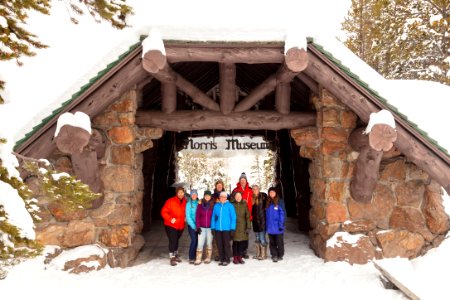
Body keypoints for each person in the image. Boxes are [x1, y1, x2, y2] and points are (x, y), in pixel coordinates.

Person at [161, 186, 187, 266]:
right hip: (171, 225)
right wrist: (171, 219)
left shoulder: (185, 202)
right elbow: (163, 212)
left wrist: (185, 217)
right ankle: (172, 257)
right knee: (173, 240)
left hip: (180, 225)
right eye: (179, 192)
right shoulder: (170, 201)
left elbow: (187, 211)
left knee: (176, 240)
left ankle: (175, 254)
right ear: (176, 193)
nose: (181, 194)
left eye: (182, 192)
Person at [211, 191, 236, 266]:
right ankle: (222, 258)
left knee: (226, 244)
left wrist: (232, 228)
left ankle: (227, 259)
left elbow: (233, 217)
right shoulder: (216, 206)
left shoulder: (230, 206)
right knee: (219, 244)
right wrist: (213, 227)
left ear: (226, 198)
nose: (223, 198)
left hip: (226, 229)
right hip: (218, 228)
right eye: (221, 197)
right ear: (219, 197)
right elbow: (213, 217)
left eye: (224, 197)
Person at [232, 172, 253, 258]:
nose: (243, 181)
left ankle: (244, 251)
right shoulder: (235, 190)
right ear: (239, 181)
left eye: (244, 180)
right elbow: (231, 201)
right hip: (238, 216)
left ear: (246, 181)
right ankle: (237, 252)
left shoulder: (250, 190)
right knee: (237, 235)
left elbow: (254, 201)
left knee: (245, 235)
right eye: (241, 180)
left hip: (248, 215)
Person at [266, 187, 286, 262]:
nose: (271, 194)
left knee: (279, 242)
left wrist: (281, 224)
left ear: (276, 193)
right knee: (272, 242)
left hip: (278, 226)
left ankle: (280, 255)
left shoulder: (279, 202)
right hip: (270, 226)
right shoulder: (268, 202)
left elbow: (282, 214)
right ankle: (274, 255)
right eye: (270, 192)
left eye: (273, 192)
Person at [194, 190, 214, 265]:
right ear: (204, 196)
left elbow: (215, 216)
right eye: (206, 195)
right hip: (201, 227)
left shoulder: (213, 205)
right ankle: (198, 258)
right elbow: (197, 216)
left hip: (210, 228)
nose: (207, 197)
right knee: (200, 243)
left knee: (209, 242)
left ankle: (208, 257)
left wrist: (213, 227)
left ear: (210, 196)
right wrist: (198, 226)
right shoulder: (200, 204)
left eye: (209, 195)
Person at [231, 191, 251, 264]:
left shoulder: (244, 204)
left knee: (241, 243)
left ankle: (240, 257)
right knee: (235, 242)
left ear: (241, 197)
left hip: (243, 226)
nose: (238, 197)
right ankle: (235, 257)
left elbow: (248, 216)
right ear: (234, 197)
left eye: (239, 196)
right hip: (234, 226)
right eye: (236, 196)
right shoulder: (231, 204)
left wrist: (248, 226)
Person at [211, 179, 229, 261]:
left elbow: (230, 205)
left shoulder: (227, 195)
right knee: (216, 239)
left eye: (220, 185)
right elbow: (210, 205)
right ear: (216, 186)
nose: (219, 186)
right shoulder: (212, 196)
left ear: (222, 186)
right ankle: (217, 254)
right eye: (218, 185)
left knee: (225, 239)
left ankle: (226, 254)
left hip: (225, 220)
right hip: (216, 218)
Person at [251, 184, 268, 260]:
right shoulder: (252, 199)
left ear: (259, 189)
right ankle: (258, 253)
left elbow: (267, 206)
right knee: (257, 238)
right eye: (253, 189)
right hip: (255, 222)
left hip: (262, 221)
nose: (255, 190)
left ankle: (264, 254)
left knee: (262, 238)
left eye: (256, 189)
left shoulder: (263, 196)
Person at [185, 189, 199, 264]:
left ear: (197, 195)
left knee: (198, 241)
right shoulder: (188, 204)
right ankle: (191, 257)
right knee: (194, 240)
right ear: (191, 195)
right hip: (192, 226)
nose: (194, 196)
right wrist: (194, 226)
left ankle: (197, 255)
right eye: (192, 194)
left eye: (195, 194)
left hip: (199, 225)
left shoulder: (198, 203)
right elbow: (188, 216)